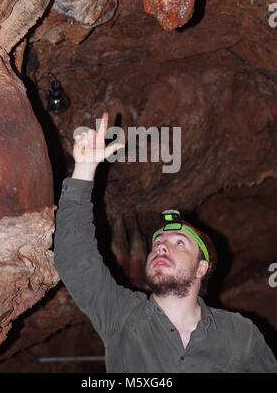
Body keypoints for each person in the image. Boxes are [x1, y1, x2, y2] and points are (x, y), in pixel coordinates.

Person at [54, 112, 277, 373]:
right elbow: (74, 259)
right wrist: (83, 170)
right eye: (158, 241)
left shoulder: (239, 334)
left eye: (179, 243)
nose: (161, 246)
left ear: (201, 268)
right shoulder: (122, 315)